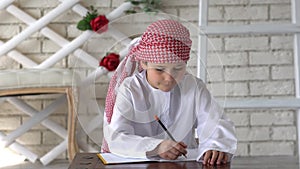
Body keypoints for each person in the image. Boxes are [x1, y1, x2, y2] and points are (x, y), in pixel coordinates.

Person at [102, 19, 237, 165]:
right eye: (160, 69)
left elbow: (214, 121)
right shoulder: (130, 89)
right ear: (144, 63)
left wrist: (215, 146)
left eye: (178, 69)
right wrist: (156, 147)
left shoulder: (194, 87)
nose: (169, 78)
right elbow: (116, 137)